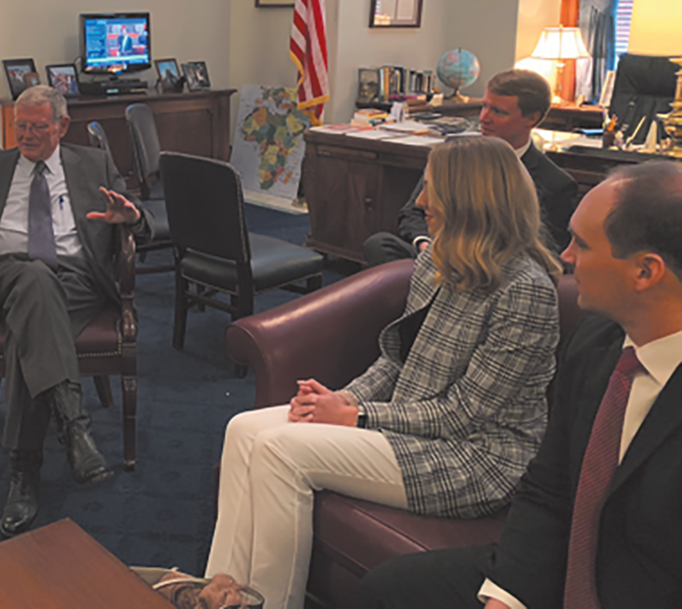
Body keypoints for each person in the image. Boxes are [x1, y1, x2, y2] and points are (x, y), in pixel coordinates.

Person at [205, 136, 561, 609]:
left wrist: (357, 417)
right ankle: (219, 592)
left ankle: (268, 602)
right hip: (407, 426)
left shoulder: (526, 290)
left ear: (470, 198)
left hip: (477, 459)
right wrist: (339, 400)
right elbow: (397, 359)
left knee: (279, 451)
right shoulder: (438, 256)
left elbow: (465, 415)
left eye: (432, 189)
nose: (418, 202)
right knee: (243, 428)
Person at [360, 161, 682, 609]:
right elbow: (548, 489)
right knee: (387, 589)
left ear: (645, 271)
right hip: (560, 567)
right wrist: (508, 596)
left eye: (581, 244)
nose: (565, 257)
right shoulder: (596, 343)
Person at [0, 86, 149, 538]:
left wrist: (132, 220)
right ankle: (74, 425)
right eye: (19, 126)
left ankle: (24, 470)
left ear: (62, 126)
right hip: (2, 277)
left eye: (37, 127)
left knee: (32, 320)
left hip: (79, 281)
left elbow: (138, 226)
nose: (25, 135)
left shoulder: (96, 164)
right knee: (32, 280)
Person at [362, 69, 577, 265]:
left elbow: (547, 256)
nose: (484, 118)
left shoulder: (555, 184)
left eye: (498, 112)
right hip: (434, 253)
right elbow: (412, 213)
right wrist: (426, 244)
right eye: (484, 106)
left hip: (493, 268)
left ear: (532, 118)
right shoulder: (453, 154)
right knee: (379, 244)